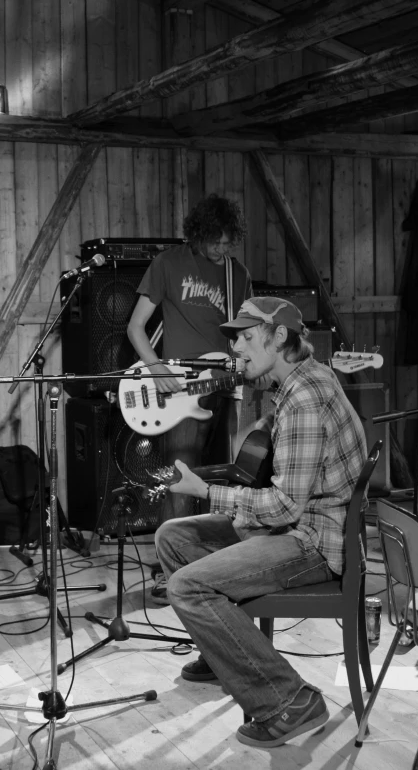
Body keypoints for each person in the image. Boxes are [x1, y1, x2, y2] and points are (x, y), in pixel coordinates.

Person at [154, 296, 368, 748]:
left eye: (248, 338)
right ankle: (223, 652)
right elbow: (284, 438)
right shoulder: (301, 381)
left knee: (186, 587)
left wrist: (206, 492)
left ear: (280, 337)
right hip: (298, 526)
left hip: (313, 542)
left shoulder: (304, 397)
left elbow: (286, 507)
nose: (237, 350)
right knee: (173, 538)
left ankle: (288, 700)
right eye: (236, 340)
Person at [127, 194, 252, 603]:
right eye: (216, 241)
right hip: (179, 387)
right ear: (197, 235)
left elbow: (245, 336)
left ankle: (211, 567)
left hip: (223, 389)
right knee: (180, 476)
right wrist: (156, 368)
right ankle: (168, 572)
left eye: (228, 242)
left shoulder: (238, 275)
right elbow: (136, 328)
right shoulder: (168, 264)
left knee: (222, 478)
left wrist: (243, 367)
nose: (222, 249)